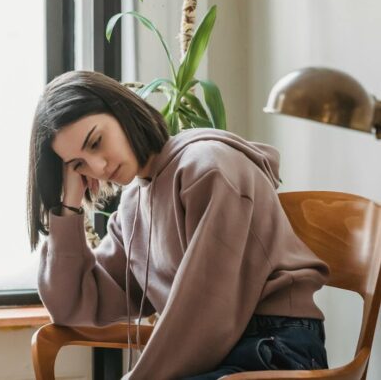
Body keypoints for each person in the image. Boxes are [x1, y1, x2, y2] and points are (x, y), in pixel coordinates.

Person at [27, 70, 330, 379]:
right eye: (79, 164)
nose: (99, 167)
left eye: (95, 142)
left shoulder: (208, 168)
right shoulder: (134, 204)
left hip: (275, 347)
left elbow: (209, 313)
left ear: (121, 109)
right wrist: (67, 209)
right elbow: (73, 306)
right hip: (213, 356)